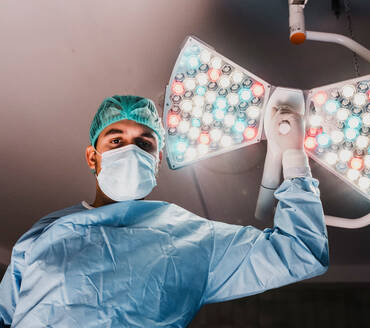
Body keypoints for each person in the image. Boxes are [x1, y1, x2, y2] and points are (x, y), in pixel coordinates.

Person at [0, 95, 329, 327]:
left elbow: (300, 252)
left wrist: (293, 158)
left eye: (145, 143)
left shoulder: (192, 239)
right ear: (92, 157)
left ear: (157, 161)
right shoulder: (46, 232)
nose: (130, 150)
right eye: (116, 141)